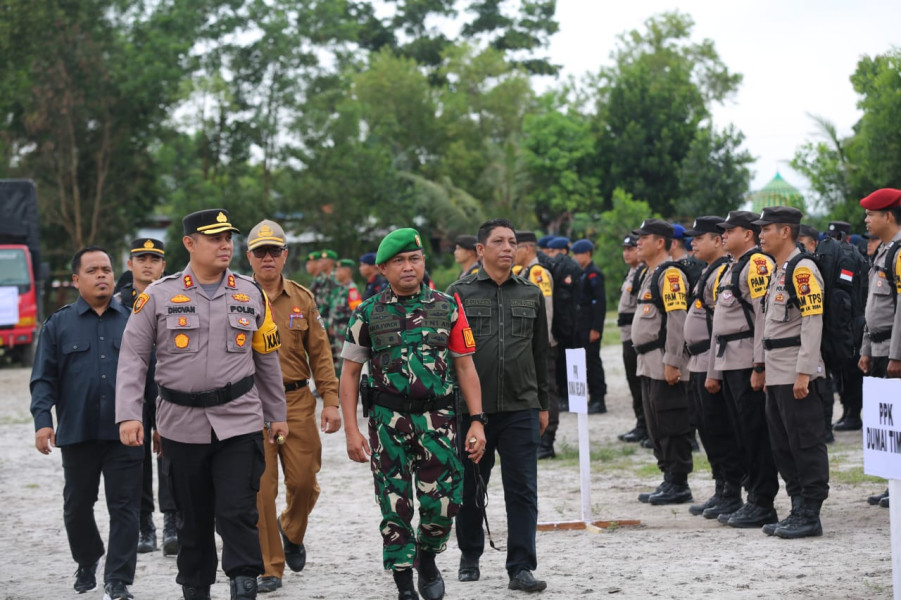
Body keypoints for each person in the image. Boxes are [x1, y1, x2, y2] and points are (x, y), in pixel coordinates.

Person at [115, 208, 288, 600]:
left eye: (228, 238)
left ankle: (244, 584)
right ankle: (196, 588)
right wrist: (128, 414)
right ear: (190, 244)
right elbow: (133, 358)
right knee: (192, 520)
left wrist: (277, 414)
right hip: (181, 424)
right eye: (215, 238)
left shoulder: (251, 293)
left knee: (238, 511)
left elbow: (266, 358)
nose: (225, 245)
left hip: (240, 420)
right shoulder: (158, 295)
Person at [338, 227, 486, 600]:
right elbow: (350, 374)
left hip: (439, 422)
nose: (408, 267)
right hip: (388, 424)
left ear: (423, 262)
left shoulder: (447, 306)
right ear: (383, 269)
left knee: (444, 505)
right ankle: (404, 582)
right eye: (399, 261)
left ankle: (428, 556)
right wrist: (352, 431)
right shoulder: (367, 312)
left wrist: (477, 421)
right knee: (394, 505)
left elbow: (465, 366)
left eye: (414, 259)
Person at [30, 246, 141, 600]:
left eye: (106, 269)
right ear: (76, 280)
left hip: (126, 434)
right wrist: (42, 421)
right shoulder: (57, 325)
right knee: (77, 506)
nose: (102, 275)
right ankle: (88, 558)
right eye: (93, 270)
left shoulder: (134, 321)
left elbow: (151, 377)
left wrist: (160, 426)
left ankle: (118, 580)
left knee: (125, 507)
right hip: (78, 431)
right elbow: (43, 378)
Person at [447, 218, 550, 593]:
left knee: (523, 490)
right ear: (480, 250)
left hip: (522, 407)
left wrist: (543, 405)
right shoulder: (458, 292)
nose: (508, 247)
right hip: (474, 411)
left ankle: (521, 567)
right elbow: (449, 356)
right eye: (499, 241)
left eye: (512, 241)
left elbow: (541, 353)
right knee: (471, 487)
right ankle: (470, 553)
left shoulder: (531, 293)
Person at [245, 220, 342, 593]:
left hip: (297, 401)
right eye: (260, 252)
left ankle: (292, 530)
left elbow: (320, 353)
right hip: (251, 404)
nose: (267, 258)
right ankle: (270, 567)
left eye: (274, 251)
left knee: (303, 481)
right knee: (261, 489)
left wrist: (330, 400)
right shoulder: (235, 297)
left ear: (285, 255)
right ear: (250, 257)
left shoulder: (302, 299)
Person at [755, 206, 830, 538]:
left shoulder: (802, 269)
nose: (760, 235)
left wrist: (805, 372)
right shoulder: (778, 270)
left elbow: (813, 321)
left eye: (766, 229)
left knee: (805, 443)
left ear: (785, 231)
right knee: (783, 446)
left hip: (796, 372)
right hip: (777, 372)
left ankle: (810, 513)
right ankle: (797, 507)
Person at [705, 210, 780, 529]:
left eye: (729, 230)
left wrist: (759, 364)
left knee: (755, 433)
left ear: (747, 234)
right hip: (729, 361)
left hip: (748, 360)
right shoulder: (732, 267)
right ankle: (752, 497)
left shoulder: (757, 264)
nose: (723, 235)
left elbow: (763, 316)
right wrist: (715, 369)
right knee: (740, 433)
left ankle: (762, 501)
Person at [114, 238, 179, 556]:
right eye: (141, 259)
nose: (148, 264)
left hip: (168, 390)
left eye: (154, 259)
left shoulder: (176, 297)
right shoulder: (116, 305)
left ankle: (171, 522)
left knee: (170, 456)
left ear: (163, 265)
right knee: (135, 459)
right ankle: (144, 525)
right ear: (130, 264)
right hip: (135, 394)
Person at [681, 218, 744, 519]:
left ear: (717, 241)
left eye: (699, 237)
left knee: (719, 428)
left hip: (711, 359)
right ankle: (721, 487)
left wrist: (713, 371)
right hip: (697, 359)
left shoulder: (722, 272)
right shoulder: (710, 270)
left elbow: (721, 322)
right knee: (705, 428)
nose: (693, 243)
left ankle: (731, 491)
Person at [630, 219, 693, 506]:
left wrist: (673, 361)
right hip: (648, 360)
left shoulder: (670, 274)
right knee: (655, 423)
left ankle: (678, 481)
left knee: (671, 422)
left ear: (660, 243)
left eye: (644, 238)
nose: (638, 242)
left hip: (663, 360)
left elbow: (677, 320)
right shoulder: (650, 273)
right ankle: (668, 476)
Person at [858, 188, 901, 509]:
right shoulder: (884, 252)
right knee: (888, 426)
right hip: (879, 346)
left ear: (888, 215)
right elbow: (872, 307)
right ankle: (893, 484)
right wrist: (866, 348)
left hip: (893, 350)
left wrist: (897, 355)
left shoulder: (899, 253)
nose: (866, 219)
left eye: (871, 214)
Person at [513, 231, 557, 458]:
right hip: (526, 346)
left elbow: (546, 311)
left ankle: (547, 440)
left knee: (546, 390)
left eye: (516, 247)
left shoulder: (537, 273)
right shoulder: (521, 272)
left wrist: (543, 342)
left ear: (528, 248)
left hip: (541, 345)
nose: (511, 252)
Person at [617, 234, 648, 443]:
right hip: (626, 334)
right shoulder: (632, 273)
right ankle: (641, 423)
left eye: (631, 249)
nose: (627, 253)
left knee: (640, 383)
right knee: (633, 383)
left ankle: (646, 426)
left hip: (635, 336)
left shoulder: (643, 273)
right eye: (625, 249)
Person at [571, 239, 608, 414]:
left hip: (590, 326)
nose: (575, 257)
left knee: (593, 362)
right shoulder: (582, 273)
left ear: (587, 254)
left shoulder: (594, 274)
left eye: (577, 254)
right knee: (584, 362)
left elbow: (600, 303)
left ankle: (598, 399)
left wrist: (596, 328)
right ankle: (591, 398)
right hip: (581, 324)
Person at [326, 258, 363, 375]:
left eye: (339, 270)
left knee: (343, 365)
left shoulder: (351, 289)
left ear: (347, 271)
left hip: (345, 333)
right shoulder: (340, 289)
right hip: (337, 332)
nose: (336, 273)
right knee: (335, 363)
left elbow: (357, 313)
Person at [311, 249, 337, 317]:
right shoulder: (319, 280)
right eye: (320, 260)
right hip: (319, 317)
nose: (320, 262)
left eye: (323, 260)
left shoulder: (336, 279)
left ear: (331, 262)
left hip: (333, 318)